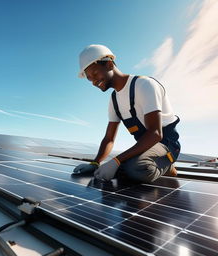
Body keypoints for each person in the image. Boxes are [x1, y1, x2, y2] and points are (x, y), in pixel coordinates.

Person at [73, 44, 180, 183]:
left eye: (95, 74)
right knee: (127, 167)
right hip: (145, 147)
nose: (93, 81)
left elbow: (155, 133)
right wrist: (95, 164)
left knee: (136, 168)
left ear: (109, 65)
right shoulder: (114, 100)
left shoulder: (144, 85)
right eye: (89, 78)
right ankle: (149, 163)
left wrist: (116, 161)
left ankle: (166, 164)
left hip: (166, 144)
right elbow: (109, 139)